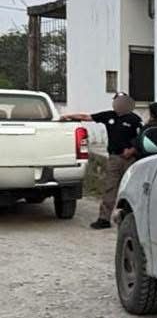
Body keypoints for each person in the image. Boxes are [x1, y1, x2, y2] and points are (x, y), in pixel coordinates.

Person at [61, 93, 141, 229]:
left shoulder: (134, 119)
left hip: (130, 160)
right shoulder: (109, 115)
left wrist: (132, 150)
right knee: (110, 188)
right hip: (114, 158)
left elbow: (141, 138)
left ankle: (132, 218)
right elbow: (87, 117)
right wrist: (68, 116)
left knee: (131, 189)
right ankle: (104, 219)